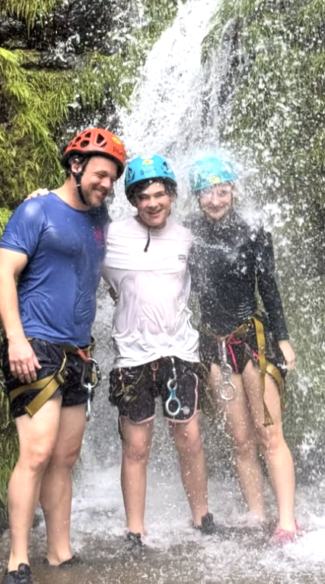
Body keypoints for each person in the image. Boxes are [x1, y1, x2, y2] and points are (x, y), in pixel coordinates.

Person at [0, 127, 126, 584]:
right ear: (75, 165)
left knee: (65, 455)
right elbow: (3, 275)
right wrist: (15, 339)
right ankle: (17, 560)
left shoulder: (100, 221)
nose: (105, 185)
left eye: (111, 179)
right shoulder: (36, 209)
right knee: (37, 451)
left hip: (79, 352)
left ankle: (59, 552)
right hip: (36, 346)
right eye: (100, 175)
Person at [103, 154, 216, 548]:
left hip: (179, 354)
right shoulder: (111, 235)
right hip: (132, 358)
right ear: (133, 200)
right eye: (144, 196)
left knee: (190, 439)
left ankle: (202, 517)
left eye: (160, 194)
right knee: (136, 445)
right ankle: (135, 529)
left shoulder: (188, 237)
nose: (153, 203)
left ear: (171, 195)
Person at [187, 154, 299, 545]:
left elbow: (269, 287)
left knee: (270, 434)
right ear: (196, 196)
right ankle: (257, 513)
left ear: (233, 190)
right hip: (215, 346)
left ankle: (287, 521)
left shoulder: (254, 230)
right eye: (206, 193)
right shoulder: (187, 234)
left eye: (221, 191)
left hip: (253, 342)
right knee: (240, 440)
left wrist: (282, 337)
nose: (215, 200)